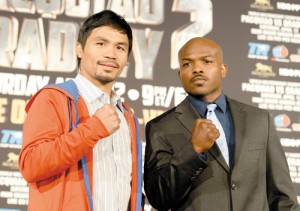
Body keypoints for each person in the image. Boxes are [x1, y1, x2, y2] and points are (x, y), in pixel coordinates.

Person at [144, 37, 299, 211]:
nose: (197, 69)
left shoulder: (259, 120)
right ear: (180, 74)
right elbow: (159, 198)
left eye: (207, 61)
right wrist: (192, 151)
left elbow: (282, 195)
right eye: (187, 64)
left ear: (223, 69)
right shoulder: (161, 127)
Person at [18, 10, 143, 211]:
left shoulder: (127, 116)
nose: (111, 54)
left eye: (120, 47)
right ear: (79, 49)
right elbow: (31, 166)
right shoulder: (53, 98)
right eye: (100, 44)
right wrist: (91, 130)